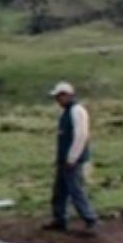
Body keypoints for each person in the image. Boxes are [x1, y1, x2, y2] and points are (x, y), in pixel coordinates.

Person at [47, 81, 98, 234]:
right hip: (65, 159)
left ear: (67, 95)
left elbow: (81, 136)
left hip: (72, 160)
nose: (57, 100)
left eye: (59, 96)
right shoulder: (67, 112)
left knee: (75, 190)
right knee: (60, 190)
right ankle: (60, 219)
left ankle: (90, 219)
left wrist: (72, 157)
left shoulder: (77, 111)